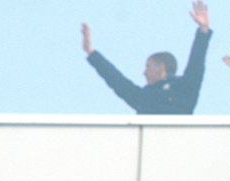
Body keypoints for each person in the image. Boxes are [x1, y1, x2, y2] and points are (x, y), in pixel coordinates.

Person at [81, 1, 212, 114]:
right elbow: (117, 81)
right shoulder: (144, 97)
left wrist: (203, 30)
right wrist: (91, 53)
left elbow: (196, 64)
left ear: (161, 67)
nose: (144, 73)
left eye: (148, 66)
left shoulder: (185, 88)